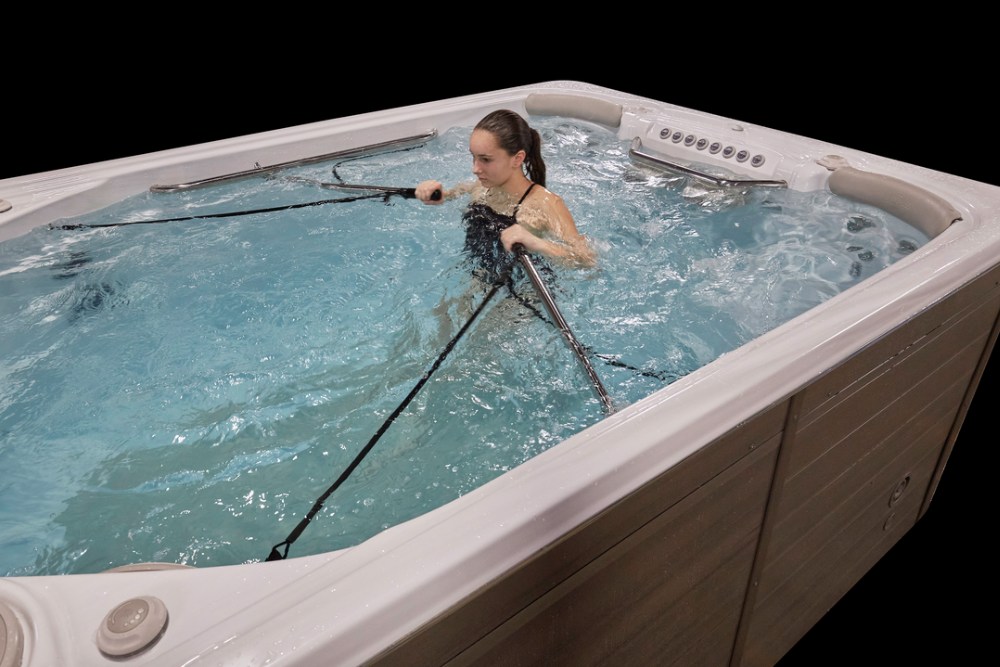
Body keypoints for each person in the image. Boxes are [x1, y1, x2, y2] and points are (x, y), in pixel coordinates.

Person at [415, 109, 596, 287]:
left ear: (517, 159)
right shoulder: (481, 187)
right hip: (481, 277)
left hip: (526, 289)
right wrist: (434, 193)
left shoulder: (546, 203)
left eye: (485, 160)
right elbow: (448, 195)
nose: (475, 169)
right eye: (474, 157)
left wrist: (537, 243)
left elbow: (587, 259)